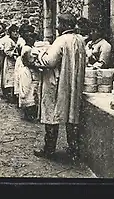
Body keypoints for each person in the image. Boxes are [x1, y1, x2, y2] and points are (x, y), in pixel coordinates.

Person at [31, 13, 86, 162]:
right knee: (71, 114)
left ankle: (49, 149)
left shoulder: (61, 40)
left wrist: (40, 53)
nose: (57, 27)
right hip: (73, 83)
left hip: (56, 83)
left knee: (51, 114)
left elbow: (49, 61)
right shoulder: (80, 40)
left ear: (66, 26)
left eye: (60, 23)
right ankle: (73, 149)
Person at [18, 31, 40, 121]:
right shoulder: (27, 49)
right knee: (28, 92)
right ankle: (29, 113)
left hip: (29, 72)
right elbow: (27, 60)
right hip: (27, 72)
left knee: (30, 93)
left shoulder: (30, 48)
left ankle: (30, 113)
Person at [0, 24, 19, 103]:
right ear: (10, 33)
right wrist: (14, 54)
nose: (16, 33)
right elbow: (7, 51)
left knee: (14, 77)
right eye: (14, 32)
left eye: (17, 32)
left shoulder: (17, 40)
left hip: (14, 61)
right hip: (9, 61)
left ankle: (14, 95)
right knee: (10, 78)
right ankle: (10, 96)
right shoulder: (9, 41)